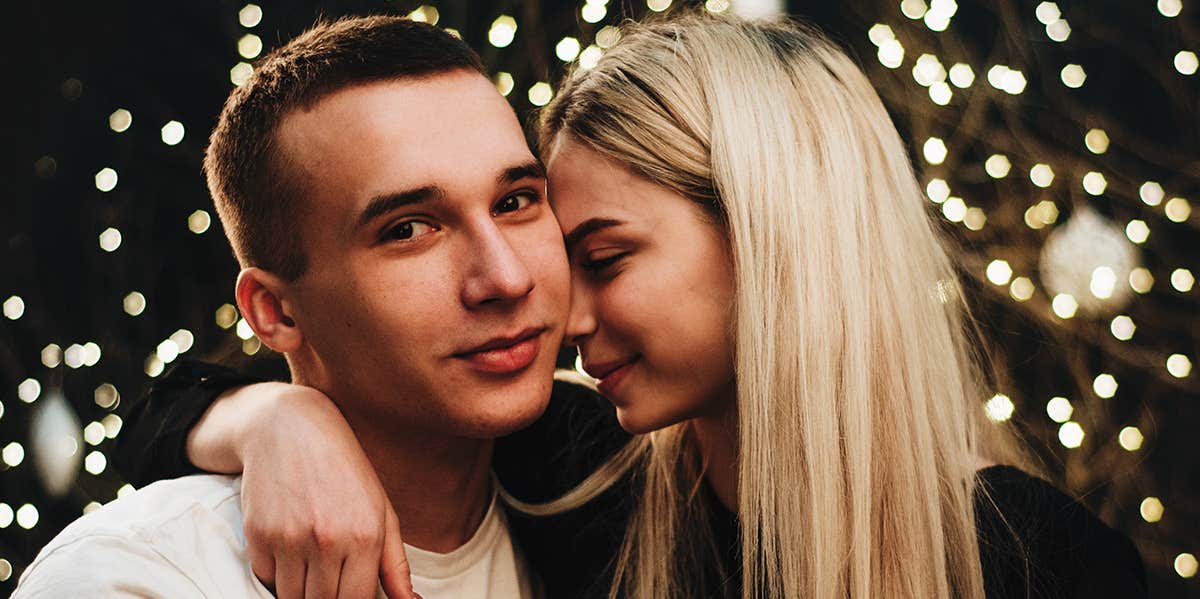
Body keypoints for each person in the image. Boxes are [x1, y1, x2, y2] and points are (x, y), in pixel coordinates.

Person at [114, 11, 1147, 599]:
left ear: (770, 239)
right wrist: (272, 415)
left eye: (601, 257)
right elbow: (171, 413)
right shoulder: (582, 470)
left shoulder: (1036, 561)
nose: (557, 307)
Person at [14, 15, 571, 599]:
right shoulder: (138, 577)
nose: (506, 278)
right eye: (407, 229)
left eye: (515, 201)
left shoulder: (611, 478)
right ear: (275, 312)